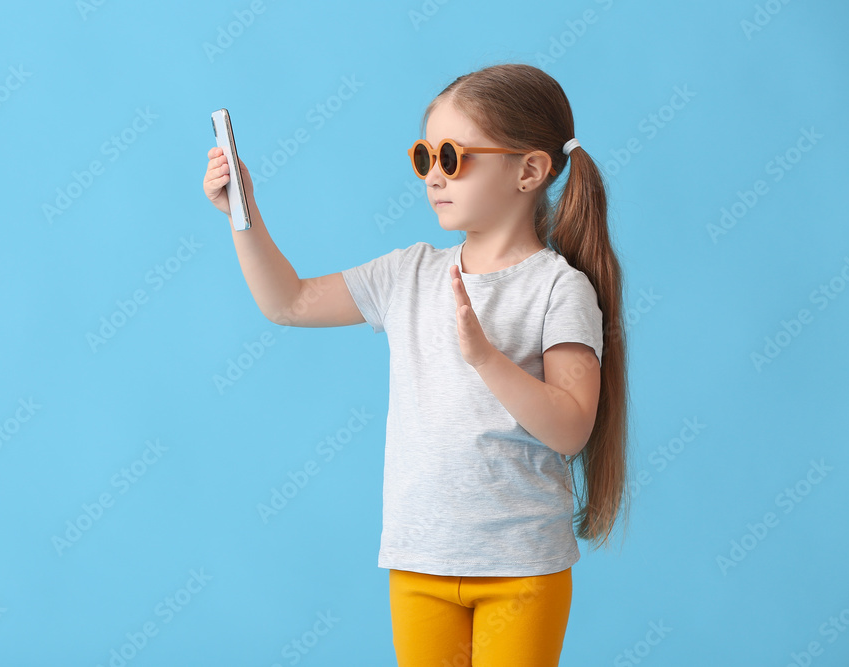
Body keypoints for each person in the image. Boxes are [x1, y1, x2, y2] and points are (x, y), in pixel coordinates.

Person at [204, 62, 631, 667]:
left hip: (520, 567)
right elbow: (289, 302)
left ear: (529, 170)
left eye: (453, 157)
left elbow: (570, 428)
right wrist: (240, 217)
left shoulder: (559, 291)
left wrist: (484, 358)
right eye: (424, 157)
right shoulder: (408, 273)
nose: (433, 176)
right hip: (417, 561)